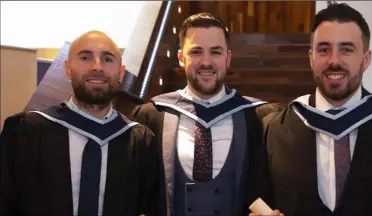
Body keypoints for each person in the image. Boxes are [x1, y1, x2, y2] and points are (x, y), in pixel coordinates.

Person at [131, 13, 283, 216]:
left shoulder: (260, 118)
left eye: (215, 52)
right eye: (196, 52)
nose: (206, 62)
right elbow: (134, 190)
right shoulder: (152, 116)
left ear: (228, 58)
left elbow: (278, 188)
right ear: (181, 58)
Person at [254, 3, 372, 216]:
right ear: (311, 58)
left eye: (346, 49)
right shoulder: (275, 130)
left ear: (365, 59)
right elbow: (260, 200)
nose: (334, 60)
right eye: (324, 49)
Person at [0, 30, 165, 216]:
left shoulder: (141, 142)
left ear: (121, 73)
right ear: (68, 68)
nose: (97, 67)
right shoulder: (25, 132)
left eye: (107, 59)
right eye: (85, 58)